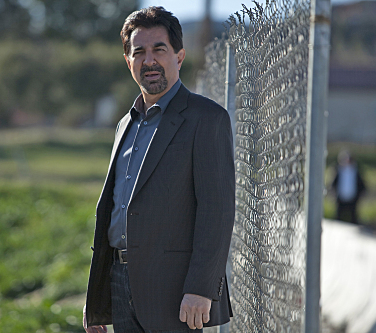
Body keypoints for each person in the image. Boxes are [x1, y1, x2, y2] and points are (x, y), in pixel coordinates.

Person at [83, 6, 235, 333]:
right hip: (120, 283)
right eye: (139, 52)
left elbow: (217, 209)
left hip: (176, 291)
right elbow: (117, 207)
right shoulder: (125, 124)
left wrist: (201, 287)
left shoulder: (207, 118)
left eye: (159, 49)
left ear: (179, 56)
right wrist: (97, 302)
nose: (148, 60)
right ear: (128, 61)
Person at [331, 150, 366, 224]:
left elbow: (362, 185)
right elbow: (333, 184)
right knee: (338, 219)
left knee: (353, 218)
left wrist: (358, 196)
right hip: (340, 198)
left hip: (353, 198)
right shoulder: (338, 170)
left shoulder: (356, 170)